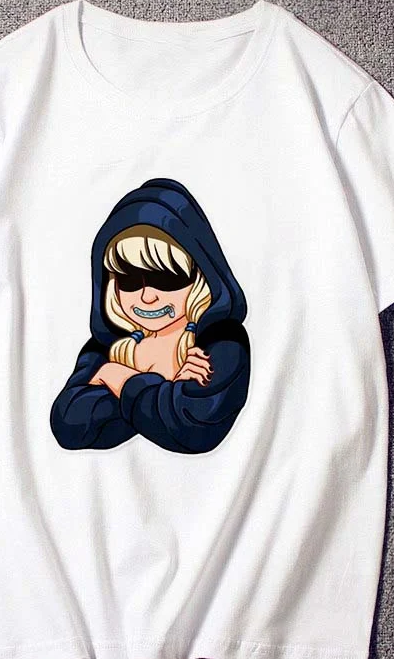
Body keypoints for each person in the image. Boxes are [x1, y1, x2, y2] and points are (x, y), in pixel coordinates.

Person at [50, 177, 251, 455]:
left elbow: (195, 427)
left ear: (201, 275)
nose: (147, 297)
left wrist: (116, 376)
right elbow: (69, 422)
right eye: (129, 280)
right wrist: (164, 391)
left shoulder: (223, 339)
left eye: (166, 278)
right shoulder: (105, 344)